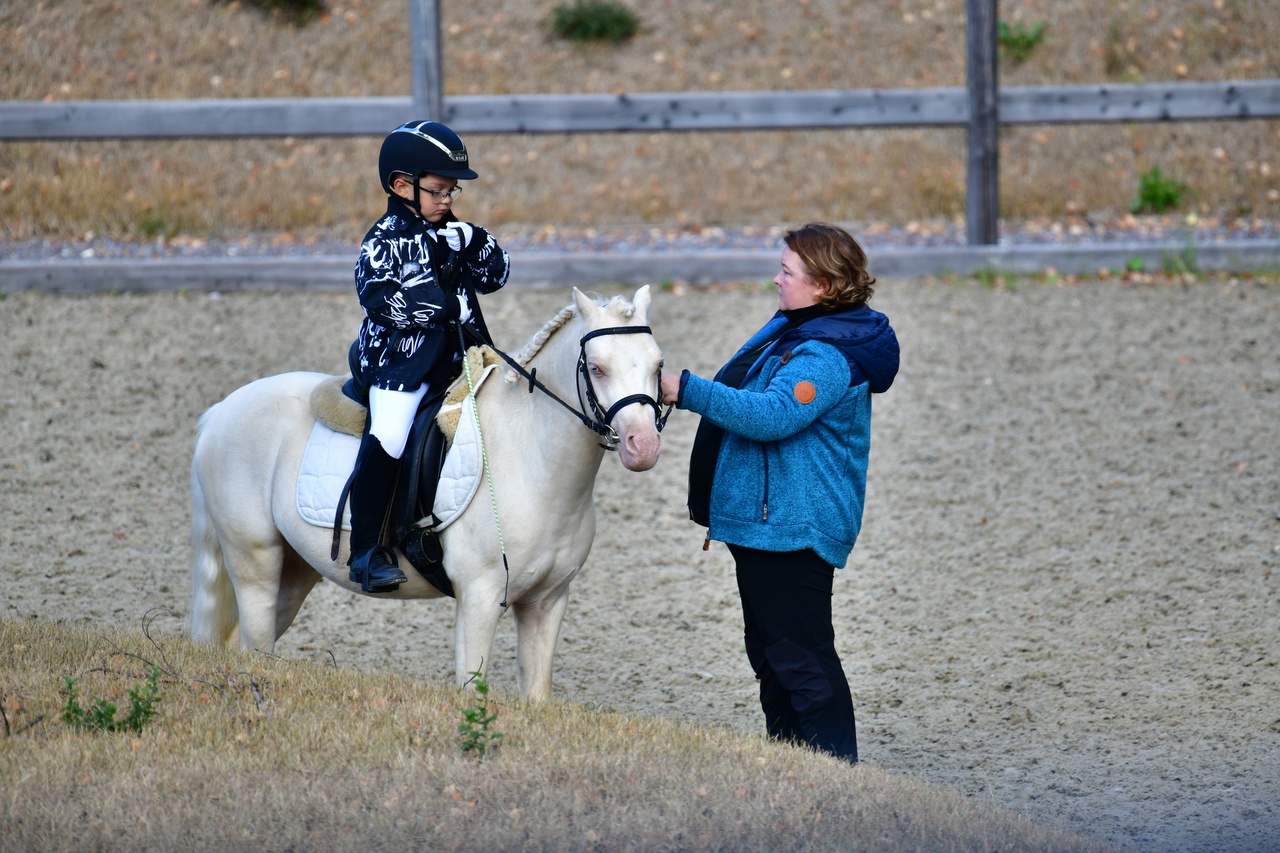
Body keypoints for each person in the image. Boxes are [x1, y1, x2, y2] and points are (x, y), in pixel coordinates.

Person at [659, 223, 899, 763]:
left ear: (823, 285)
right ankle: (795, 769)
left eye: (787, 271)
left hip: (794, 527)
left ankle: (837, 776)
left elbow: (773, 414)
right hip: (768, 524)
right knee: (772, 656)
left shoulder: (827, 353)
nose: (776, 278)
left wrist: (687, 389)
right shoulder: (802, 330)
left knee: (803, 662)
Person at [343, 119, 510, 594]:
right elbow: (381, 299)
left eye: (451, 192)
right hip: (400, 364)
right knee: (391, 434)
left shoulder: (453, 229)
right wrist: (442, 304)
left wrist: (476, 241)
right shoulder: (384, 239)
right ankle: (366, 552)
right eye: (437, 191)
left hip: (461, 355)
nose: (447, 201)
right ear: (401, 186)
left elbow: (496, 276)